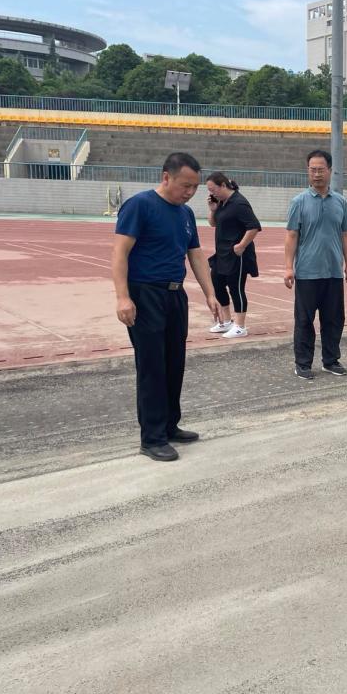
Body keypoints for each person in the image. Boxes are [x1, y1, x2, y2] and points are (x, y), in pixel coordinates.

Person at [112, 152, 220, 462]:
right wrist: (123, 297)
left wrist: (210, 293)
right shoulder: (140, 206)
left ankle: (170, 425)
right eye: (185, 185)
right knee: (152, 367)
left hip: (175, 295)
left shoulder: (185, 214)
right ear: (166, 177)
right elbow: (119, 253)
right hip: (145, 294)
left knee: (174, 363)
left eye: (195, 187)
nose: (190, 192)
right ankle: (152, 437)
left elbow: (195, 254)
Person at [284, 149, 347, 379]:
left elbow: (346, 234)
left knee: (334, 320)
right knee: (304, 321)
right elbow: (292, 235)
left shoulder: (340, 202)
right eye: (312, 170)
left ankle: (330, 361)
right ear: (308, 171)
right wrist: (288, 267)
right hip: (307, 272)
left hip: (333, 272)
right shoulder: (299, 202)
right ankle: (303, 363)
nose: (316, 174)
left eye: (320, 170)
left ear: (330, 171)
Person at [205, 172, 262, 339]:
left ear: (223, 185)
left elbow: (254, 226)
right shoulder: (222, 203)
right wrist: (213, 210)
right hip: (222, 253)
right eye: (209, 190)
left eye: (213, 189)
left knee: (236, 288)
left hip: (238, 254)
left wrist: (241, 245)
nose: (211, 193)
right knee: (216, 283)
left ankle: (240, 326)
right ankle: (226, 321)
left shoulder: (239, 203)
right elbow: (213, 223)